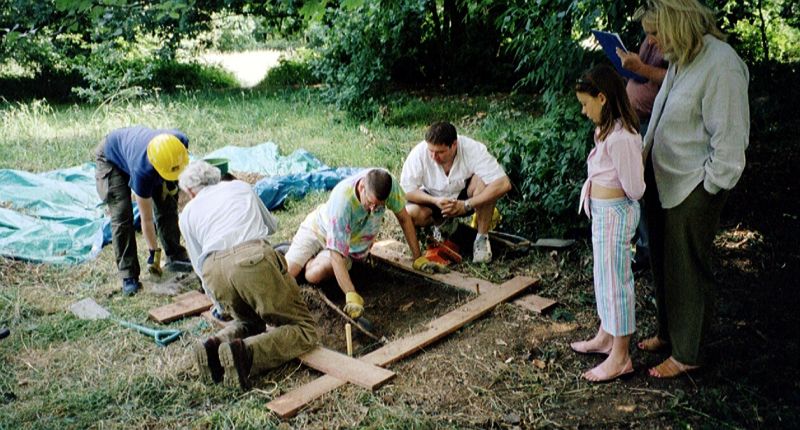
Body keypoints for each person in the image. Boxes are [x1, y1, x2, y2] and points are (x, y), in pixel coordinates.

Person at [639, 0, 749, 379]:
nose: (651, 42)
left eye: (656, 33)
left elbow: (731, 139)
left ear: (678, 24)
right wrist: (642, 156)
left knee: (688, 265)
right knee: (664, 260)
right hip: (663, 176)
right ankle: (669, 334)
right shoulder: (683, 57)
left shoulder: (721, 63)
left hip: (694, 183)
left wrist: (710, 185)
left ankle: (690, 352)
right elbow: (661, 114)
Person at [178, 161, 318, 390]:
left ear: (190, 191)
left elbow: (198, 265)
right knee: (303, 328)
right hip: (251, 259)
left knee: (249, 321)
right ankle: (245, 355)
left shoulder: (186, 214)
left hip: (214, 270)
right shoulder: (241, 187)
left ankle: (213, 347)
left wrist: (218, 303)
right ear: (216, 177)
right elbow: (271, 226)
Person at [570, 64, 645, 382]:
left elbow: (635, 188)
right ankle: (606, 334)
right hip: (602, 214)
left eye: (586, 105)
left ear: (602, 98)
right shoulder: (606, 131)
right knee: (603, 277)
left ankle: (621, 355)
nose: (584, 112)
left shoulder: (622, 138)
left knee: (617, 282)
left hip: (616, 215)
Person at [285, 168, 423, 319]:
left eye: (378, 206)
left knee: (313, 275)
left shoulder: (387, 186)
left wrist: (418, 258)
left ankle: (308, 260)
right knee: (287, 273)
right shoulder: (342, 201)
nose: (373, 209)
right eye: (370, 203)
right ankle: (293, 253)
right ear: (362, 186)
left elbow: (404, 218)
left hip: (349, 247)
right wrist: (351, 294)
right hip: (317, 229)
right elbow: (335, 256)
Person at [94, 126, 192, 296]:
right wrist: (154, 253)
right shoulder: (143, 171)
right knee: (122, 214)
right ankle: (128, 274)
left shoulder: (179, 141)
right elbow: (146, 220)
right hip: (111, 158)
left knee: (167, 203)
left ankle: (175, 255)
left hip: (142, 152)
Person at [400, 121, 511, 263]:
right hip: (432, 199)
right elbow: (405, 191)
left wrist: (465, 204)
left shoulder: (471, 148)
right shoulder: (419, 153)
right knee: (411, 213)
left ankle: (482, 238)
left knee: (485, 181)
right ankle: (440, 229)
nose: (434, 157)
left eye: (440, 152)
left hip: (464, 196)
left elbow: (503, 184)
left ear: (454, 145)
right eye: (431, 151)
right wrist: (435, 201)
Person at [616, 8, 669, 272]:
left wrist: (641, 68)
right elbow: (642, 72)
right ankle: (644, 244)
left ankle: (653, 249)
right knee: (634, 181)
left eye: (654, 32)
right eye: (646, 33)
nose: (649, 39)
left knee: (645, 185)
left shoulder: (676, 44)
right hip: (635, 120)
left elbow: (672, 77)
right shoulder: (651, 40)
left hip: (654, 122)